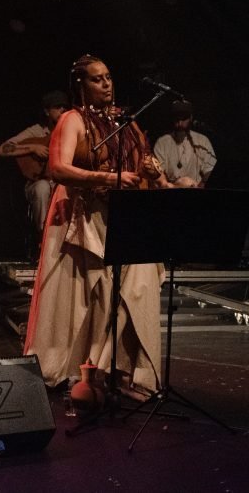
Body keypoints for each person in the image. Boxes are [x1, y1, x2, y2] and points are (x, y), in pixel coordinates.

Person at [23, 55, 167, 397]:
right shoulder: (72, 120)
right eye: (97, 79)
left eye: (108, 77)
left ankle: (120, 369)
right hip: (85, 219)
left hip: (125, 218)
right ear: (80, 85)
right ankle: (89, 368)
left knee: (133, 292)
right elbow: (58, 168)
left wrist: (154, 175)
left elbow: (150, 169)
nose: (106, 84)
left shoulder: (126, 124)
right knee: (95, 296)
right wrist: (106, 177)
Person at [0, 90, 69, 230]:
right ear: (47, 111)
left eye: (64, 107)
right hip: (39, 183)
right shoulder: (37, 131)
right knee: (42, 188)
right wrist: (33, 148)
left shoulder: (71, 131)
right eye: (57, 107)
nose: (62, 110)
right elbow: (1, 150)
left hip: (62, 182)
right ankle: (42, 235)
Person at [152, 99, 216, 188]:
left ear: (191, 117)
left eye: (184, 118)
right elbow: (158, 175)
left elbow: (209, 170)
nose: (180, 122)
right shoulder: (162, 142)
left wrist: (202, 185)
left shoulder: (202, 141)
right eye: (177, 118)